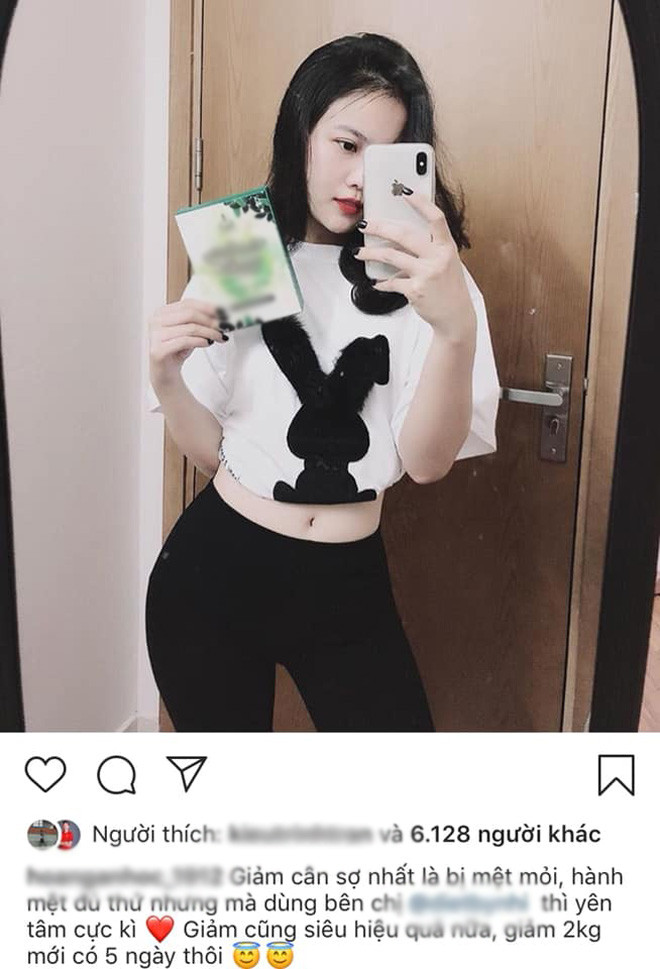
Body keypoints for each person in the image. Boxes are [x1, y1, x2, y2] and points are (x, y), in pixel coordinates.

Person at [145, 33, 500, 732]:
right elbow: (215, 455)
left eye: (386, 155)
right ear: (301, 132)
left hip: (347, 585)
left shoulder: (428, 277)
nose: (360, 178)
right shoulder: (246, 249)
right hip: (214, 572)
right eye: (345, 144)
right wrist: (166, 379)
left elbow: (427, 464)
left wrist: (456, 331)